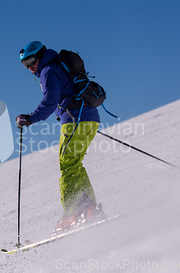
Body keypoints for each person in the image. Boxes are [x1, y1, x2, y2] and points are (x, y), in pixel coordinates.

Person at [16, 41, 106, 234]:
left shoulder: (48, 70)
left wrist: (31, 118)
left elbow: (50, 100)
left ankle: (72, 214)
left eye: (31, 61)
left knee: (67, 163)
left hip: (76, 119)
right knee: (74, 163)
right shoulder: (55, 67)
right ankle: (89, 210)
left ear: (40, 56)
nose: (30, 67)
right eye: (25, 64)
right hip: (88, 118)